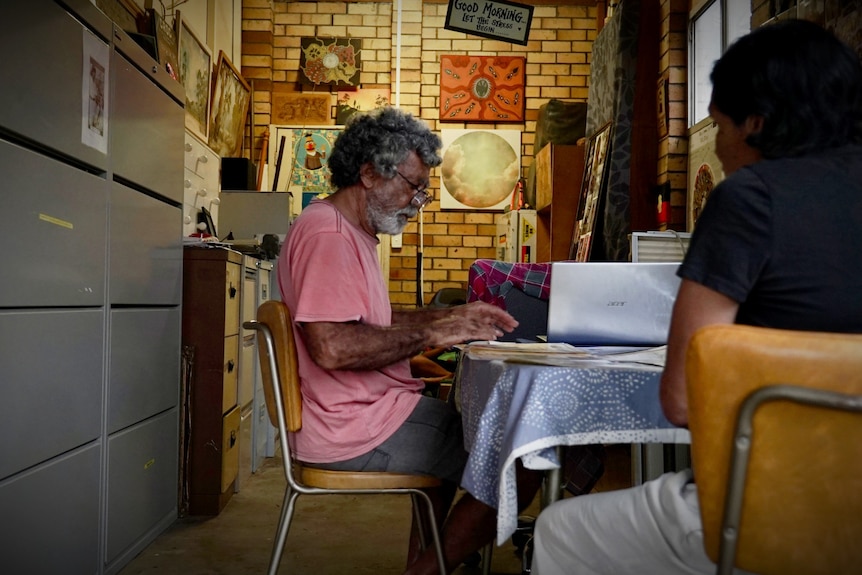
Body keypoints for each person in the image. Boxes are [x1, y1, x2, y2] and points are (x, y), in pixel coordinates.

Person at [531, 19, 862, 575]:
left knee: (559, 531)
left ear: (755, 124)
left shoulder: (750, 199)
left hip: (790, 502)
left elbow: (684, 400)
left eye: (721, 123)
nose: (723, 143)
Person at [277, 107, 543, 574]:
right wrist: (437, 330)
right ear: (368, 172)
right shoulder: (329, 237)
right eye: (412, 186)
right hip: (353, 429)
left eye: (422, 191)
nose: (416, 201)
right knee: (524, 457)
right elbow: (334, 347)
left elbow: (368, 321)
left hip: (362, 414)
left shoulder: (350, 232)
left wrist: (450, 315)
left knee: (482, 432)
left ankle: (429, 560)